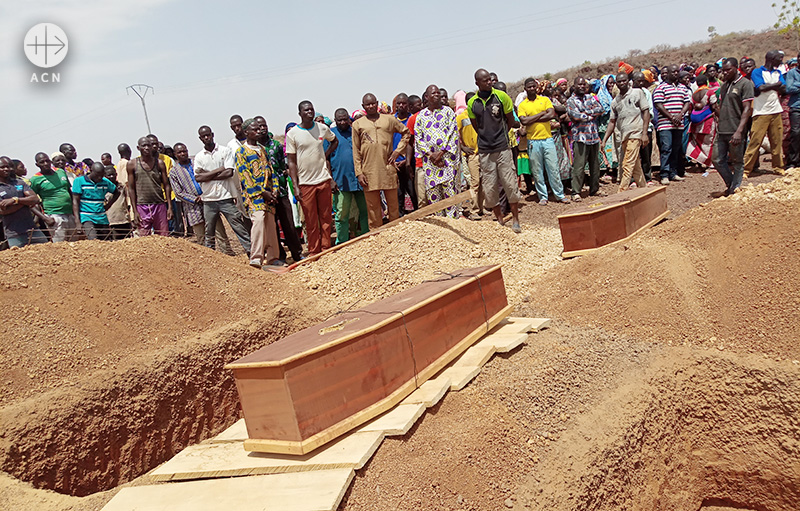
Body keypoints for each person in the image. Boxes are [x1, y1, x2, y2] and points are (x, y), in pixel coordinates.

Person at [467, 68, 522, 232]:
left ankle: (516, 220)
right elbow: (476, 126)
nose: (489, 82)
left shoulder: (501, 97)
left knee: (510, 185)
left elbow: (511, 121)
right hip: (485, 151)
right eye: (485, 80)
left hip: (503, 148)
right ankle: (499, 221)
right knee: (490, 189)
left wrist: (498, 137)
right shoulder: (472, 103)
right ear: (477, 83)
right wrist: (486, 138)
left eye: (490, 80)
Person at [286, 100, 338, 255]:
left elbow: (334, 141)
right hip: (305, 183)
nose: (310, 112)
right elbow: (291, 162)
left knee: (326, 218)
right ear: (300, 113)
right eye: (306, 110)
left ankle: (326, 249)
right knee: (311, 220)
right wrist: (295, 186)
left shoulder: (322, 128)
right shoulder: (293, 134)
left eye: (311, 109)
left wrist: (325, 155)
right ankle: (314, 252)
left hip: (322, 179)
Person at [352, 93, 411, 230]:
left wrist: (398, 151)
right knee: (373, 209)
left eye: (373, 103)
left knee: (393, 206)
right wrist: (359, 173)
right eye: (368, 104)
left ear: (377, 103)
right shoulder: (357, 124)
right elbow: (356, 151)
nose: (371, 106)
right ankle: (376, 236)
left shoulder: (389, 119)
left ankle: (395, 232)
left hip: (388, 168)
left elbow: (406, 133)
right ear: (363, 106)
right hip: (369, 171)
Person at [194, 125, 248, 256]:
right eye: (203, 136)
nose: (206, 138)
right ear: (200, 138)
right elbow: (198, 178)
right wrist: (219, 170)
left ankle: (252, 253)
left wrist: (207, 175)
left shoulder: (225, 151)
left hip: (226, 196)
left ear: (212, 134)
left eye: (208, 135)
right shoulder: (199, 156)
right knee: (209, 232)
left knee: (239, 228)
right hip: (209, 199)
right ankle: (210, 256)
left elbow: (229, 172)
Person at [235, 118, 282, 268]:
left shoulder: (262, 150)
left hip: (269, 195)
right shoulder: (241, 152)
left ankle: (273, 257)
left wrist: (274, 189)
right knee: (259, 222)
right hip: (254, 196)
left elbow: (272, 171)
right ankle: (256, 257)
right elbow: (245, 177)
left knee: (271, 225)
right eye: (254, 130)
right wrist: (262, 193)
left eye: (259, 129)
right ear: (246, 132)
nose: (258, 131)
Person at [256, 116, 304, 262]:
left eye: (264, 125)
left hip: (281, 191)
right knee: (272, 228)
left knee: (288, 224)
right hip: (265, 194)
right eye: (258, 127)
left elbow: (283, 166)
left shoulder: (276, 145)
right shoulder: (255, 149)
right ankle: (280, 256)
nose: (262, 129)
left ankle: (297, 253)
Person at [413, 84, 462, 217]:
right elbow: (418, 137)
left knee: (450, 192)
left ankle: (453, 222)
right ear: (427, 97)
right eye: (433, 93)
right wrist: (431, 155)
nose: (437, 95)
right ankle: (440, 225)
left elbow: (453, 134)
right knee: (433, 193)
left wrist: (440, 154)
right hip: (431, 162)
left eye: (438, 93)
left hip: (447, 159)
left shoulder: (448, 112)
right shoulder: (421, 116)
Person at [518, 78, 569, 204]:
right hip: (533, 142)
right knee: (537, 170)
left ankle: (559, 194)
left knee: (553, 168)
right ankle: (543, 196)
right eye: (529, 87)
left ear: (537, 87)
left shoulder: (545, 100)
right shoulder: (523, 105)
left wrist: (532, 119)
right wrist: (541, 115)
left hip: (547, 139)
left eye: (534, 86)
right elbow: (524, 121)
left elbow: (551, 114)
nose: (532, 89)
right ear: (525, 89)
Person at [601, 72, 651, 192]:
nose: (622, 83)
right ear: (616, 84)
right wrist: (604, 141)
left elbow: (646, 112)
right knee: (636, 166)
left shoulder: (637, 93)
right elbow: (612, 122)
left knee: (627, 164)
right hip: (624, 136)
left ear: (628, 81)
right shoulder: (615, 101)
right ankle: (644, 189)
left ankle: (621, 191)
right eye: (619, 81)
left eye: (624, 81)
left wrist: (644, 133)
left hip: (636, 133)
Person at [714, 58, 755, 195]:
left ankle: (734, 189)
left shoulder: (745, 84)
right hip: (722, 129)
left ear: (736, 68)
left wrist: (739, 131)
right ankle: (732, 185)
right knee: (717, 159)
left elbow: (747, 109)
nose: (724, 73)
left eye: (728, 70)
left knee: (737, 162)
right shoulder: (725, 85)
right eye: (723, 70)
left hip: (735, 129)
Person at [328, 108, 368, 243]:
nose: (343, 122)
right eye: (339, 120)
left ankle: (366, 237)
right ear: (335, 120)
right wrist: (331, 180)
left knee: (365, 211)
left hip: (360, 179)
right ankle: (342, 242)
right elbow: (326, 159)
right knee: (341, 214)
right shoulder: (331, 136)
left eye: (345, 119)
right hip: (341, 180)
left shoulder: (355, 132)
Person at [744, 50, 786, 177]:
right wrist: (776, 85)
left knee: (777, 141)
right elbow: (759, 88)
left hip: (776, 111)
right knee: (755, 141)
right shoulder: (757, 72)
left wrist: (771, 86)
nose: (781, 61)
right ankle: (746, 169)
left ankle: (778, 167)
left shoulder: (778, 72)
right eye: (779, 58)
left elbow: (784, 87)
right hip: (761, 112)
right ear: (772, 59)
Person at [567, 76, 605, 201]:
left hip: (593, 136)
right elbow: (575, 116)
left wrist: (586, 113)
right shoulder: (571, 100)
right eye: (579, 84)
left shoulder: (590, 97)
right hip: (580, 138)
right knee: (579, 166)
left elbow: (601, 109)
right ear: (575, 85)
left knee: (595, 165)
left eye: (584, 84)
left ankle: (595, 189)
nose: (582, 86)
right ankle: (576, 192)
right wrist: (590, 114)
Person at [653, 65, 692, 184]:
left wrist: (680, 115)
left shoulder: (683, 88)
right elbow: (658, 104)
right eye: (673, 72)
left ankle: (673, 173)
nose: (676, 74)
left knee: (676, 149)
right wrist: (671, 117)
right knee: (666, 148)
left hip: (679, 123)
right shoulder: (661, 88)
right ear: (668, 73)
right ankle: (664, 174)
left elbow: (686, 102)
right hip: (665, 124)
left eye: (677, 72)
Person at [127, 136, 172, 236]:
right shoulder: (132, 164)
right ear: (138, 148)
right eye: (144, 146)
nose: (147, 148)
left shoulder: (159, 163)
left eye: (149, 145)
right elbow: (131, 188)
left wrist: (169, 207)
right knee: (144, 239)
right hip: (142, 205)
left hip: (159, 204)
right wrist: (135, 211)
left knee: (163, 236)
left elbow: (166, 185)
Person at [0, 156, 48, 247]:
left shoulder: (19, 183)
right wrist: (24, 203)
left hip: (32, 229)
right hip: (14, 234)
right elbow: (3, 211)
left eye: (8, 166)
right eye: (2, 167)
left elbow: (35, 199)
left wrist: (15, 200)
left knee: (47, 253)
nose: (6, 169)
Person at [29, 152, 74, 241]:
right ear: (37, 164)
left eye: (47, 161)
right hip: (54, 215)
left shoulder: (60, 172)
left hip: (70, 214)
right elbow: (31, 202)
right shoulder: (35, 179)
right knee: (60, 247)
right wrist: (44, 218)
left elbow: (69, 191)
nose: (45, 164)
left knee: (76, 244)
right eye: (42, 162)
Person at [169, 143, 207, 244]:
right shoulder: (174, 172)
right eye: (179, 152)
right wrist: (195, 199)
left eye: (184, 151)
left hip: (208, 200)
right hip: (192, 206)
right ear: (175, 154)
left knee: (216, 230)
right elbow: (178, 193)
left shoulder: (196, 163)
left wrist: (204, 195)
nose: (182, 154)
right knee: (201, 235)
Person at [72, 162, 119, 240]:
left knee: (106, 241)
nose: (99, 178)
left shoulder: (105, 182)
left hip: (102, 217)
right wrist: (77, 221)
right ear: (91, 171)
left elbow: (117, 192)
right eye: (97, 175)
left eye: (101, 175)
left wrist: (108, 206)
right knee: (93, 240)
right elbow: (75, 201)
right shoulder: (79, 181)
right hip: (86, 216)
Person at [456, 91, 483, 216]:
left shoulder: (482, 114)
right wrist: (462, 148)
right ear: (467, 103)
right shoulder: (462, 117)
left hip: (485, 152)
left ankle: (483, 207)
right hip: (473, 155)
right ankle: (474, 210)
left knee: (485, 182)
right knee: (475, 183)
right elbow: (454, 135)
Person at [686, 74, 719, 168]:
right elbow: (714, 106)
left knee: (698, 143)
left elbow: (690, 108)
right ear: (706, 82)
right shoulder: (710, 92)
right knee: (709, 143)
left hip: (695, 123)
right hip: (708, 122)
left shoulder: (694, 94)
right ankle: (709, 163)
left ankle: (699, 162)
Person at [393, 93, 417, 215]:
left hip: (409, 163)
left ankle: (418, 216)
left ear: (408, 105)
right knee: (398, 193)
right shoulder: (392, 120)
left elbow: (414, 142)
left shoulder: (412, 119)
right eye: (399, 103)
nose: (401, 105)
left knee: (413, 191)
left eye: (404, 103)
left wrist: (407, 160)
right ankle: (400, 218)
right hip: (395, 163)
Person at [104, 165, 133, 239]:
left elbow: (127, 200)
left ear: (116, 174)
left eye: (113, 174)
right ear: (105, 176)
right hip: (111, 220)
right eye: (108, 175)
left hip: (123, 219)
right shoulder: (103, 188)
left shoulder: (121, 187)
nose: (111, 177)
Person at [786, 53, 800, 169]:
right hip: (796, 107)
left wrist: (797, 84)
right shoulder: (792, 73)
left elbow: (794, 86)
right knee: (795, 133)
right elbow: (789, 88)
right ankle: (792, 162)